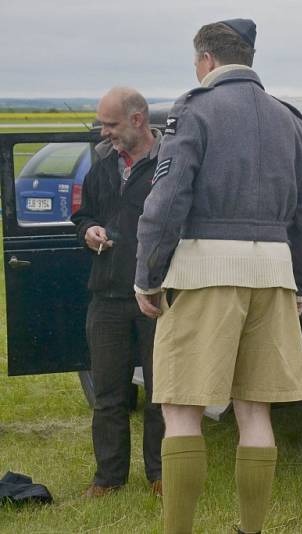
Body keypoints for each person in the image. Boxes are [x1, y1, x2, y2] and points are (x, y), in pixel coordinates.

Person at [134, 19, 302, 534]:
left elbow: (167, 201)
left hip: (203, 273)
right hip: (275, 276)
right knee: (255, 413)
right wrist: (301, 284)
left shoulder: (195, 110)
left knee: (181, 410)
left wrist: (148, 276)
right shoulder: (291, 120)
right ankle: (252, 530)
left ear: (205, 61)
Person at [71, 87, 165, 497]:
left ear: (137, 120)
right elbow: (84, 214)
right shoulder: (102, 166)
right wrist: (87, 231)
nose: (103, 132)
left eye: (110, 124)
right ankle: (108, 479)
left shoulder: (170, 164)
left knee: (163, 393)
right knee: (109, 394)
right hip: (107, 297)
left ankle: (161, 476)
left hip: (158, 298)